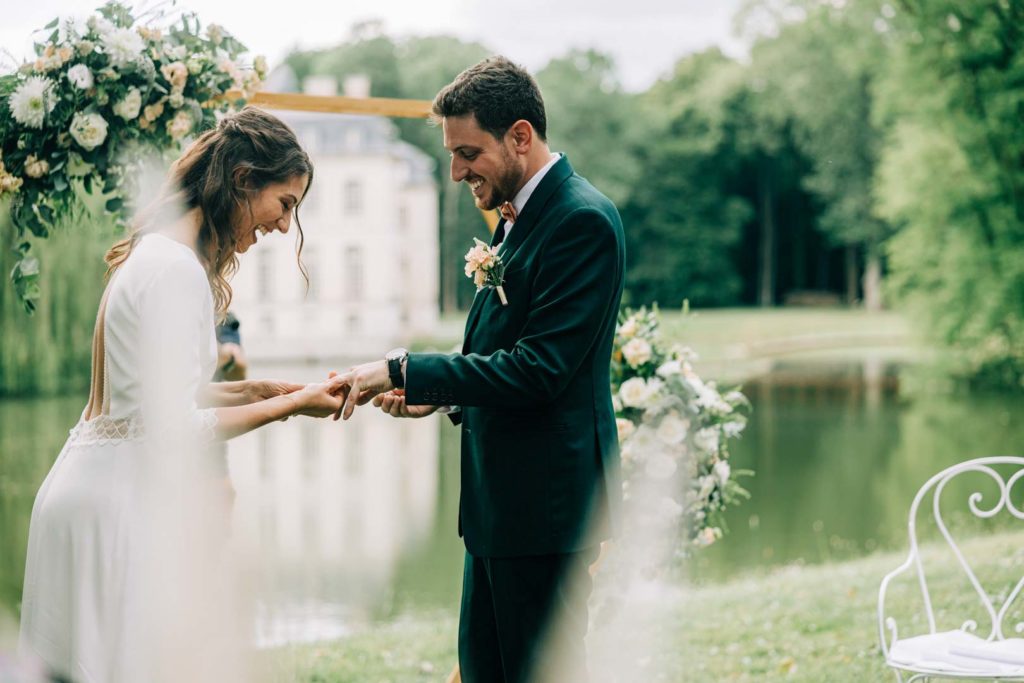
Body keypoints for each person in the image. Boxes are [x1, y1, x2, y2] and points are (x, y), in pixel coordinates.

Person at [18, 107, 344, 683]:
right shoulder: (176, 270)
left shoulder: (158, 253)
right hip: (115, 509)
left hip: (88, 491)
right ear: (244, 180)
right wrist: (290, 406)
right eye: (285, 203)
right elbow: (171, 428)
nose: (282, 226)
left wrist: (257, 389)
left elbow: (166, 393)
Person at [337, 56, 626, 683]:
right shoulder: (514, 220)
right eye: (451, 154)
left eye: (467, 152)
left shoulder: (580, 221)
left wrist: (403, 369)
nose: (454, 172)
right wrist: (441, 397)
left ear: (519, 136)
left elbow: (538, 370)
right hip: (501, 510)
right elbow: (497, 352)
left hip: (546, 512)